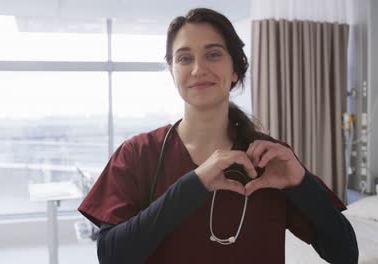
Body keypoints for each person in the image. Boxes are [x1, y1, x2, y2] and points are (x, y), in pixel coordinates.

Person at [78, 7, 358, 264]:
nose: (198, 69)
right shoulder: (137, 154)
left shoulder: (270, 158)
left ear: (235, 69)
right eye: (185, 58)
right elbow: (112, 256)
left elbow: (345, 254)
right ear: (173, 72)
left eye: (213, 54)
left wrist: (301, 184)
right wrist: (193, 185)